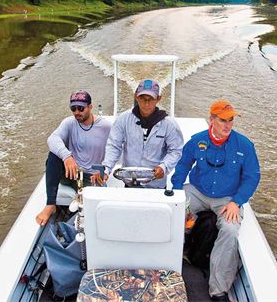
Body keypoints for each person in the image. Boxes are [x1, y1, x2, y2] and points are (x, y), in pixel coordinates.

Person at [171, 100, 260, 301]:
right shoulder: (197, 141)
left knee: (229, 231)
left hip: (227, 198)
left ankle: (218, 290)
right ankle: (170, 262)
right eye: (222, 120)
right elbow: (183, 166)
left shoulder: (244, 145)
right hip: (197, 191)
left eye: (231, 120)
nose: (228, 125)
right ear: (212, 120)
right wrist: (177, 195)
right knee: (173, 215)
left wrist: (237, 201)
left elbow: (252, 176)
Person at [35, 90, 112, 225]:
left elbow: (115, 148)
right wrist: (67, 157)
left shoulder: (105, 126)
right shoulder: (69, 123)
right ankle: (50, 205)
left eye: (81, 108)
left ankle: (81, 196)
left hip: (91, 175)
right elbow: (52, 139)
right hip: (72, 171)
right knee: (54, 154)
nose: (77, 112)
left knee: (100, 204)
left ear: (90, 107)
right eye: (73, 108)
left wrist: (106, 170)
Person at [101, 79, 184, 188]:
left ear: (158, 99)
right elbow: (114, 145)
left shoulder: (169, 124)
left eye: (151, 99)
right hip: (129, 181)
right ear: (136, 97)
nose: (146, 103)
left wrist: (164, 167)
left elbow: (176, 150)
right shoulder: (123, 119)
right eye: (142, 98)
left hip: (156, 185)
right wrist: (106, 169)